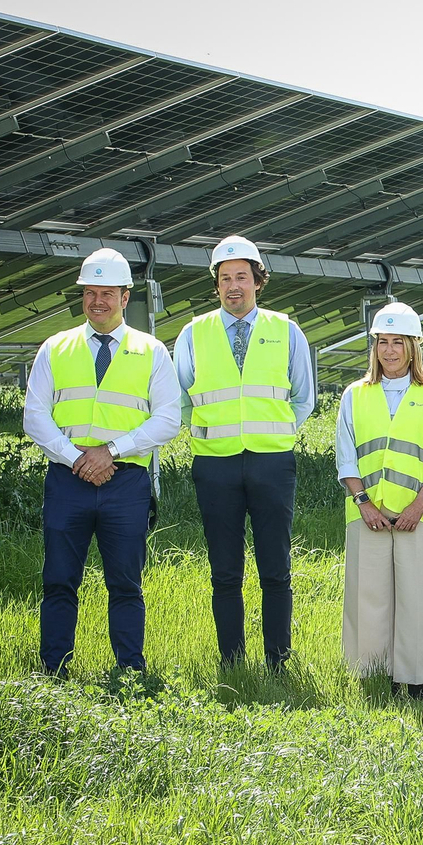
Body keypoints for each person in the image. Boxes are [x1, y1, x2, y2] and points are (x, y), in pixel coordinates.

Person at [22, 247, 179, 676]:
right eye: (89, 292)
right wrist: (78, 458)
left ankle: (129, 672)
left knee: (126, 584)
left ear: (126, 297)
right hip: (67, 479)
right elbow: (34, 416)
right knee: (58, 580)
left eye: (107, 293)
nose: (97, 302)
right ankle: (53, 669)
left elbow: (169, 418)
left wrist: (110, 451)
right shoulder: (56, 348)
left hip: (126, 481)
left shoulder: (151, 351)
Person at [174, 235, 315, 669]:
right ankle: (232, 660)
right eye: (224, 278)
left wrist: (275, 435)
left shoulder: (285, 330)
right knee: (224, 570)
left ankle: (278, 659)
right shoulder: (193, 333)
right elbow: (179, 397)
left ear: (258, 281)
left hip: (272, 463)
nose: (233, 285)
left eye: (242, 277)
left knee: (276, 567)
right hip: (214, 464)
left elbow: (304, 397)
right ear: (215, 285)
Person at [335, 302, 423, 699]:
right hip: (367, 510)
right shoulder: (355, 395)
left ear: (413, 347)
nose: (388, 351)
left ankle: (417, 681)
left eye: (397, 342)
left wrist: (418, 506)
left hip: (419, 513)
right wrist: (363, 502)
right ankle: (373, 676)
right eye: (382, 342)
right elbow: (345, 455)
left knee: (418, 596)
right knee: (368, 596)